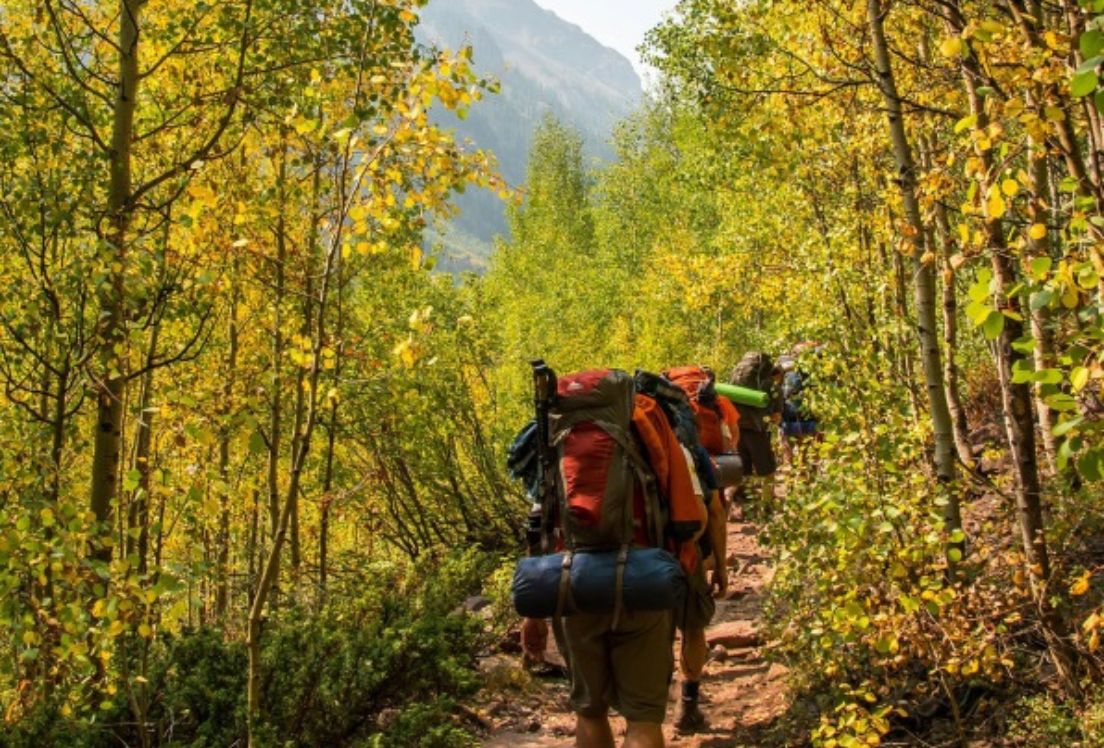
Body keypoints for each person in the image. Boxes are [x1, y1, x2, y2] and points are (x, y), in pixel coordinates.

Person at [550, 372, 708, 748]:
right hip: (642, 584)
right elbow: (691, 521)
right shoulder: (647, 421)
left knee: (589, 712)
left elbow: (540, 522)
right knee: (642, 717)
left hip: (575, 585)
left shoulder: (556, 434)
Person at [727, 351, 781, 516]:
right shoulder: (771, 386)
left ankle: (740, 506)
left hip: (736, 429)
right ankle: (766, 507)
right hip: (757, 431)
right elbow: (776, 417)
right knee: (767, 471)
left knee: (744, 471)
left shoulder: (736, 380)